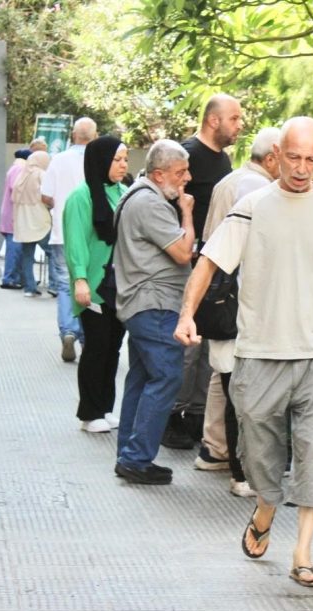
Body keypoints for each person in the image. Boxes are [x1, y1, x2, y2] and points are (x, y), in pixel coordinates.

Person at [174, 116, 313, 589]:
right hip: (259, 353)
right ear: (277, 155)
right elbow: (209, 262)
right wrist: (186, 315)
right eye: (293, 157)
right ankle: (265, 506)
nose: (301, 168)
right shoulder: (252, 206)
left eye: (311, 159)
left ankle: (303, 553)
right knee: (259, 450)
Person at [194, 126, 281, 497]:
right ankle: (241, 471)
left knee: (227, 383)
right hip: (240, 306)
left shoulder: (232, 180)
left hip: (224, 303)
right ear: (274, 156)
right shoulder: (256, 190)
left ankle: (215, 450)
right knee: (241, 394)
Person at [164, 94, 245, 450]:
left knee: (208, 345)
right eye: (234, 118)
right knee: (187, 347)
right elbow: (165, 201)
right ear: (214, 120)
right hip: (186, 264)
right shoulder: (188, 154)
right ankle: (170, 415)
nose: (240, 125)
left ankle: (196, 416)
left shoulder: (224, 160)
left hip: (216, 266)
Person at [111, 139, 195, 485]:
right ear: (159, 175)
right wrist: (187, 212)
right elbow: (183, 252)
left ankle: (129, 454)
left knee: (143, 378)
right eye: (180, 172)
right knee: (166, 377)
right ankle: (136, 458)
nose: (186, 178)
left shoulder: (136, 196)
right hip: (155, 303)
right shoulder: (150, 203)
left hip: (143, 303)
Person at [64, 136, 130, 434]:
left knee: (113, 347)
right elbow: (75, 242)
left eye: (125, 159)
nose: (123, 165)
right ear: (101, 161)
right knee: (96, 347)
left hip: (121, 284)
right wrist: (80, 279)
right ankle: (89, 412)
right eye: (117, 160)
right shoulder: (81, 197)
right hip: (94, 283)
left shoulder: (125, 193)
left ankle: (105, 407)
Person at [42, 117, 98, 362]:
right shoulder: (98, 160)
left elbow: (45, 196)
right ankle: (87, 336)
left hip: (62, 232)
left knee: (66, 285)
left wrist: (59, 207)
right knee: (88, 283)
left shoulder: (59, 159)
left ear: (73, 135)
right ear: (95, 136)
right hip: (91, 235)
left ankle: (68, 331)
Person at [0, 138, 48, 290]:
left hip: (14, 214)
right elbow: (19, 190)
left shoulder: (18, 168)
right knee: (15, 249)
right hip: (17, 215)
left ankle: (23, 279)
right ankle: (10, 278)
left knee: (21, 251)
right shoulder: (21, 169)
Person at [11, 151, 52, 298]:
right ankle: (54, 285)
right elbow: (48, 196)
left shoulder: (21, 176)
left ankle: (29, 287)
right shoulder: (41, 174)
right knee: (52, 253)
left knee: (27, 255)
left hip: (23, 222)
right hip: (39, 219)